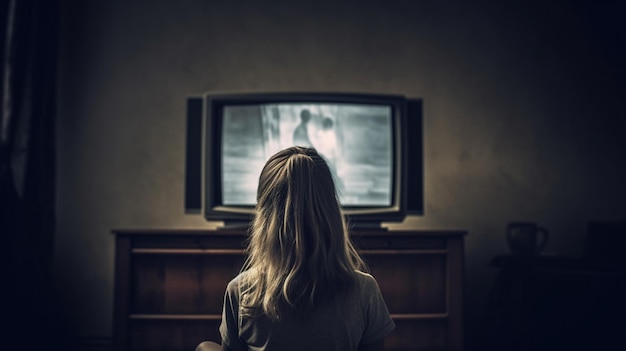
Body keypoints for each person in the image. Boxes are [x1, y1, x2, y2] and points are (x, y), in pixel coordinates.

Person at [196, 146, 395, 351]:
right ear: (331, 214)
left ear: (264, 217)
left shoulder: (241, 291)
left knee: (205, 347)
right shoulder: (364, 290)